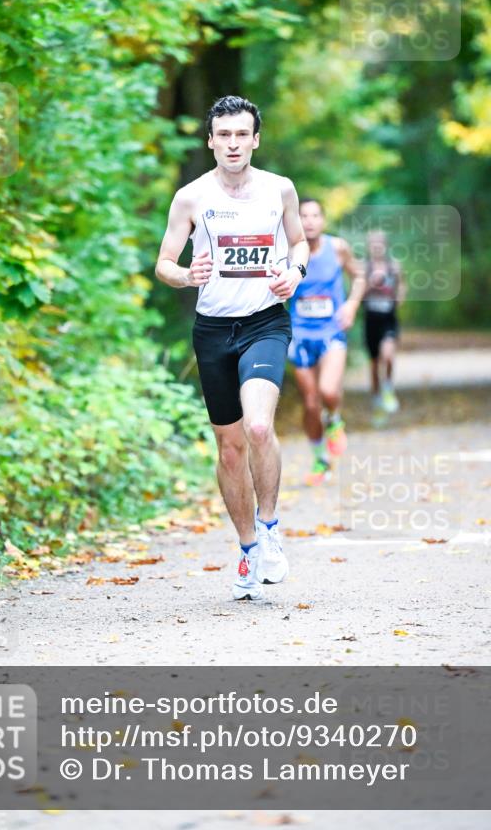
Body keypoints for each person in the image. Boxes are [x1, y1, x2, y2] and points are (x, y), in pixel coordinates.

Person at [155, 95, 309, 602]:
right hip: (213, 330)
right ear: (211, 141)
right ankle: (247, 549)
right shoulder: (191, 197)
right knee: (229, 445)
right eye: (224, 135)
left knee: (259, 425)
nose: (233, 143)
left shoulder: (279, 189)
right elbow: (165, 265)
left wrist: (294, 272)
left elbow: (300, 242)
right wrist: (185, 275)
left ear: (256, 138)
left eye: (242, 134)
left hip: (265, 322)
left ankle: (269, 529)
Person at [288, 199, 365, 483]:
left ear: (323, 220)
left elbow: (359, 276)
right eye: (303, 216)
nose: (309, 221)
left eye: (314, 215)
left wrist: (352, 305)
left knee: (328, 391)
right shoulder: (287, 251)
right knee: (310, 403)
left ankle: (334, 419)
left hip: (331, 331)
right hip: (299, 334)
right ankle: (320, 459)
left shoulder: (337, 248)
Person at [362, 229, 406, 414]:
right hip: (371, 318)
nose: (377, 247)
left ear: (385, 245)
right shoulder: (364, 268)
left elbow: (402, 284)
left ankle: (388, 387)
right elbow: (358, 293)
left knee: (388, 355)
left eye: (380, 243)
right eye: (373, 243)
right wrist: (371, 285)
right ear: (369, 246)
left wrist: (400, 297)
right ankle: (376, 398)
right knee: (374, 362)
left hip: (388, 317)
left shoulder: (393, 266)